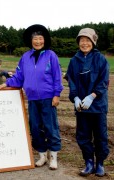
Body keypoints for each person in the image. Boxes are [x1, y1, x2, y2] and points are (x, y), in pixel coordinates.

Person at [0, 24, 63, 170]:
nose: (38, 41)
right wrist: (6, 83)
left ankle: (53, 157)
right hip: (32, 99)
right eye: (35, 39)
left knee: (50, 127)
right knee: (35, 127)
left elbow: (57, 77)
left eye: (40, 38)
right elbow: (19, 77)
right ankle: (42, 156)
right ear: (31, 40)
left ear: (44, 40)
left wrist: (56, 94)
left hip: (48, 98)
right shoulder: (25, 57)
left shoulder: (51, 55)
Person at [66, 28, 109, 177]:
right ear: (78, 42)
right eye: (81, 40)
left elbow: (104, 82)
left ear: (93, 42)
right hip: (82, 107)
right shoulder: (74, 61)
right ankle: (89, 162)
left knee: (100, 136)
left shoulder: (101, 59)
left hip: (98, 106)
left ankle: (100, 163)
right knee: (83, 136)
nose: (84, 43)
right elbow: (71, 81)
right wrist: (75, 97)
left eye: (87, 40)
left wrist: (92, 96)